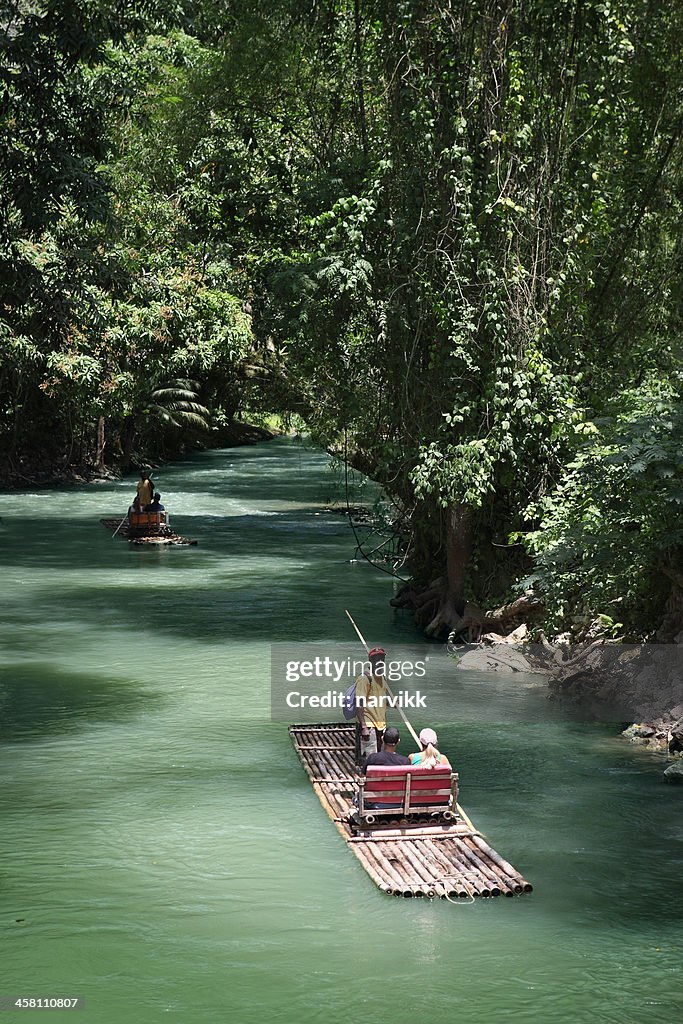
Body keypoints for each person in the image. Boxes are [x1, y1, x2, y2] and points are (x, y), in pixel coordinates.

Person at [354, 646, 390, 765]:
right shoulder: (365, 678)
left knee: (380, 758)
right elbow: (359, 703)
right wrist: (364, 726)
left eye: (382, 659)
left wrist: (393, 703)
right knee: (368, 760)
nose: (380, 662)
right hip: (369, 725)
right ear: (371, 661)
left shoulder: (382, 677)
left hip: (381, 725)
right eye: (376, 659)